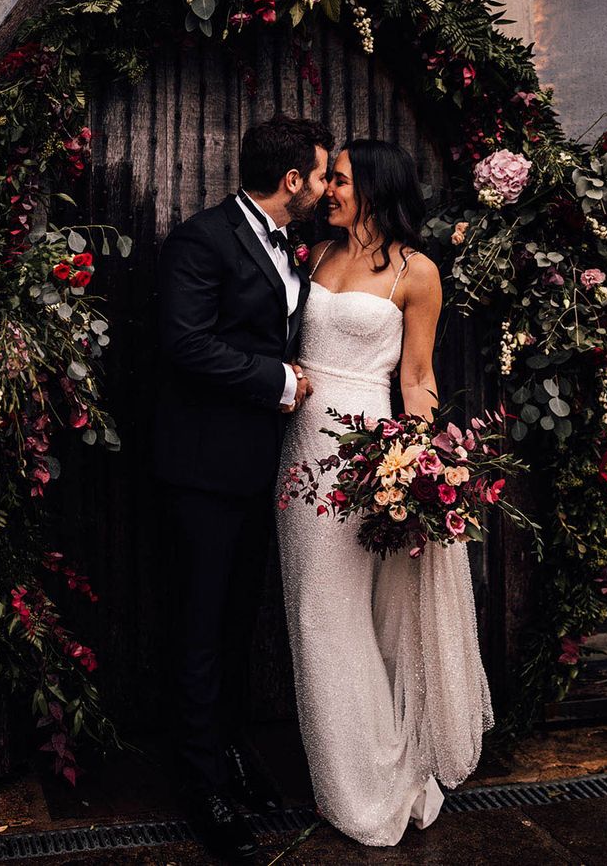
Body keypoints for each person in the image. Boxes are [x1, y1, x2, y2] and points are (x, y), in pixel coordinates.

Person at [276, 138, 494, 847]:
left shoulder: (416, 271)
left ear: (372, 185)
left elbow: (419, 376)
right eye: (326, 177)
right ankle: (357, 776)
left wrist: (421, 464)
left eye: (337, 178)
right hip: (303, 451)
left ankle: (377, 782)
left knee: (348, 615)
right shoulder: (312, 257)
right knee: (315, 612)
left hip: (368, 453)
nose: (325, 189)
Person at [154, 114, 331, 861]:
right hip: (202, 469)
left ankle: (229, 755)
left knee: (234, 626)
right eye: (322, 176)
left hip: (262, 469)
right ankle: (203, 789)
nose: (326, 188)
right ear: (292, 181)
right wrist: (277, 378)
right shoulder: (203, 239)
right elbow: (184, 341)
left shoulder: (295, 244)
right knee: (199, 631)